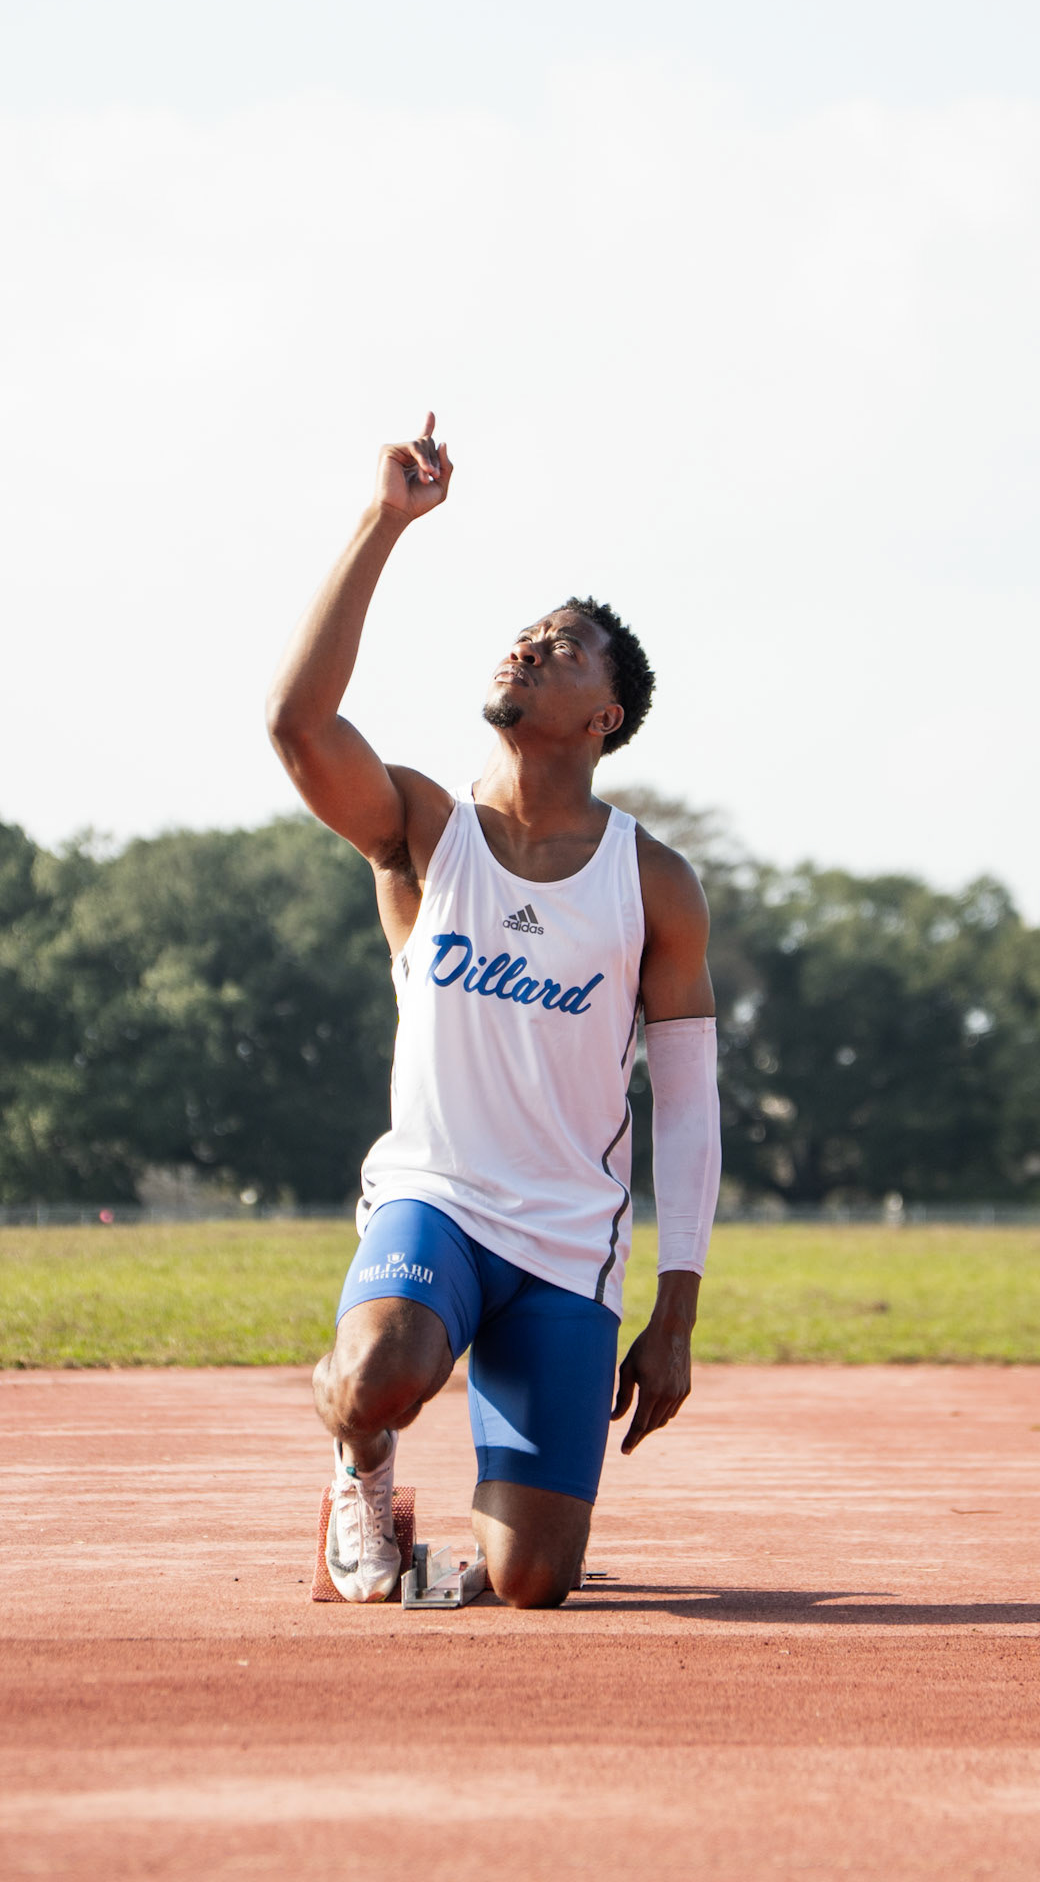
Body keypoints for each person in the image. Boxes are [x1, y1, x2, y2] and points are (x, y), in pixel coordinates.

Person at [266, 413, 721, 1608]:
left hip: (569, 1242)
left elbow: (686, 1102)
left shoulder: (656, 881)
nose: (532, 646)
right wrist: (385, 520)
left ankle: (499, 1528)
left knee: (530, 1580)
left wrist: (675, 1310)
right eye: (527, 636)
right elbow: (297, 728)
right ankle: (361, 1463)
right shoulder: (424, 831)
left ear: (603, 717)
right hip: (439, 1199)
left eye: (565, 649)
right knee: (381, 1372)